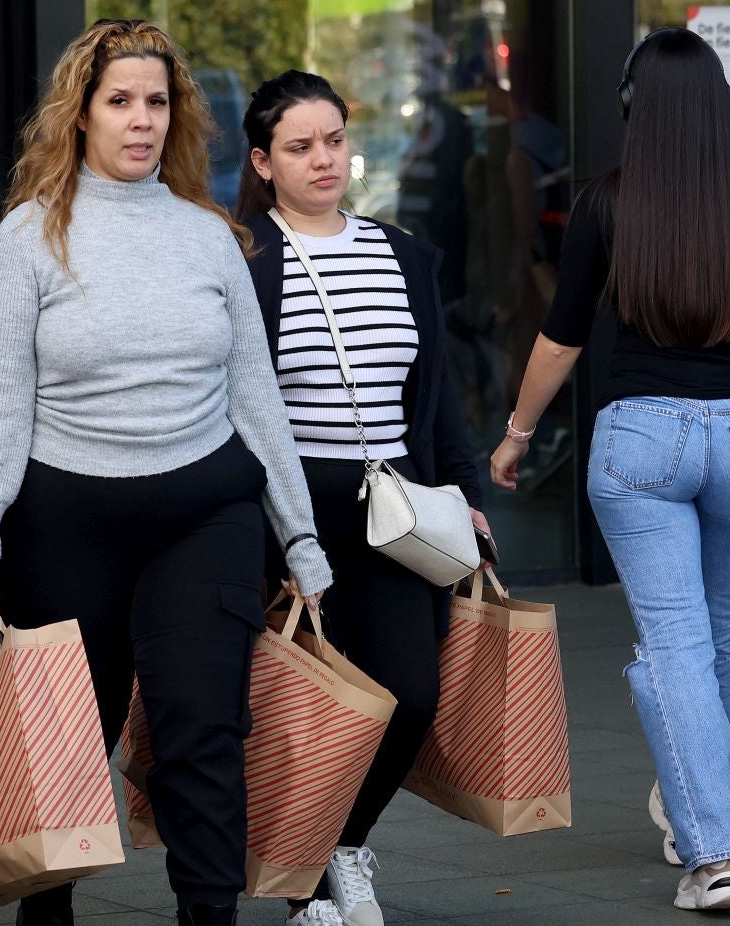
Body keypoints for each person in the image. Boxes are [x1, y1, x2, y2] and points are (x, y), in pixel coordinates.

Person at [0, 20, 331, 926]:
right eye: (120, 101)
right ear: (79, 114)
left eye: (157, 102)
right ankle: (48, 920)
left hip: (205, 518)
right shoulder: (28, 238)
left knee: (203, 736)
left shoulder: (209, 236)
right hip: (64, 525)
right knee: (62, 747)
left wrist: (302, 537)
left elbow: (256, 400)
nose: (141, 121)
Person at [489, 27, 730, 914]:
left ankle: (712, 852)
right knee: (720, 638)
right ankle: (693, 809)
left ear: (634, 107)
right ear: (721, 103)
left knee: (674, 644)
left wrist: (519, 430)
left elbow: (561, 333)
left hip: (640, 441)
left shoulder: (606, 202)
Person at [235, 70, 490, 926]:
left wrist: (470, 494)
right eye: (300, 147)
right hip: (293, 509)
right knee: (311, 711)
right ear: (263, 162)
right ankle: (305, 884)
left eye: (335, 141)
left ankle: (340, 850)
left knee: (411, 696)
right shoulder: (245, 261)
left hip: (399, 509)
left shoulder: (402, 254)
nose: (323, 160)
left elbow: (439, 397)